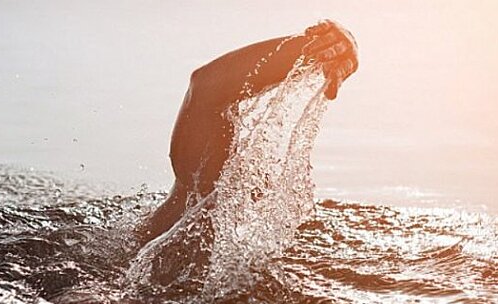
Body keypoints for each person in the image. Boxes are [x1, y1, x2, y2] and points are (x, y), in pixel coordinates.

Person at [136, 20, 358, 245]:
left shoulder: (190, 206)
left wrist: (320, 47)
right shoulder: (190, 201)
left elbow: (207, 91)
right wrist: (316, 48)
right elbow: (206, 91)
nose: (253, 187)